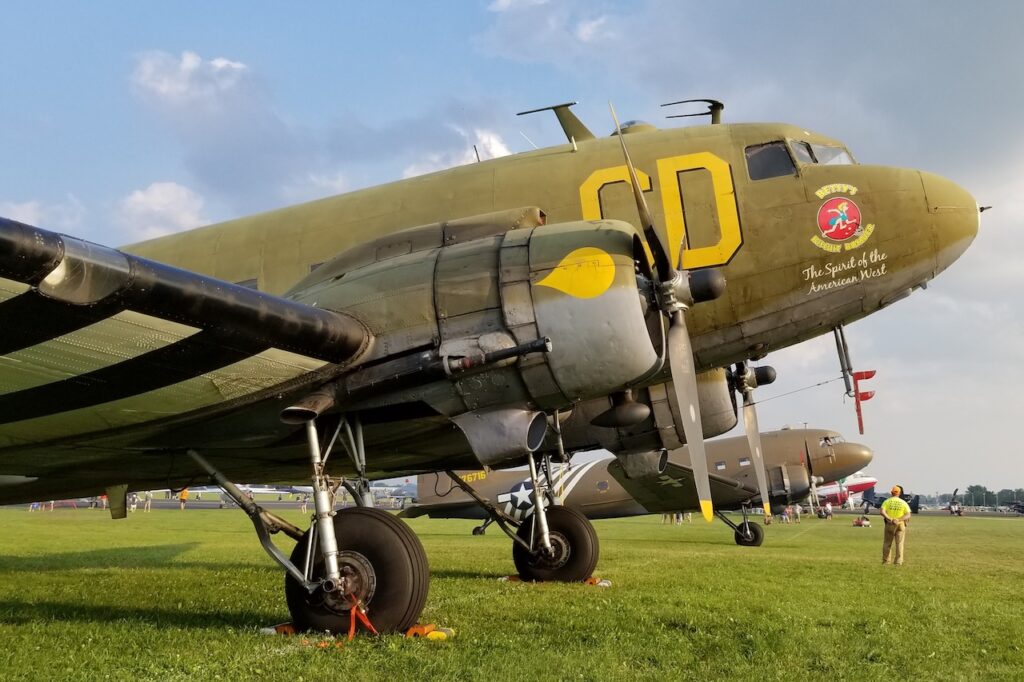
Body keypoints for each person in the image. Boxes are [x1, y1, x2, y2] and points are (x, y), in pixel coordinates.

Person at [880, 485, 911, 565]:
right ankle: (898, 561)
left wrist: (889, 518)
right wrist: (899, 519)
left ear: (891, 492)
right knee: (899, 544)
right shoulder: (903, 502)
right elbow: (908, 515)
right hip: (900, 525)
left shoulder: (887, 501)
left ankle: (886, 561)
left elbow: (882, 512)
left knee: (887, 543)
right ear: (899, 493)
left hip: (889, 524)